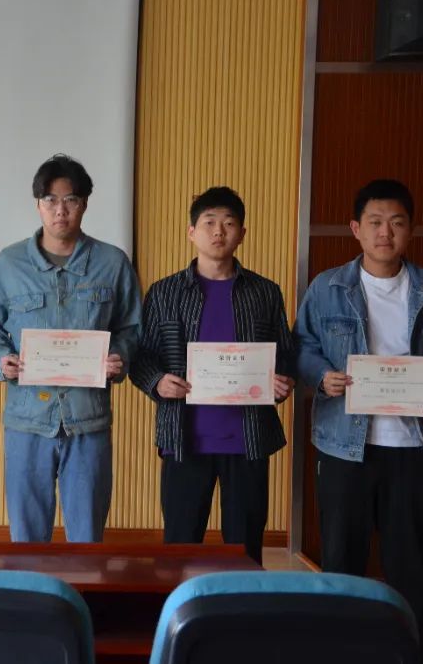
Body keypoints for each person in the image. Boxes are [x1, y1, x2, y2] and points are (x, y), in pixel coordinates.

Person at [295, 179, 423, 663]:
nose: (385, 233)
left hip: (411, 446)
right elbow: (301, 344)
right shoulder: (327, 287)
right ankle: (339, 654)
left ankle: (414, 654)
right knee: (341, 562)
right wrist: (321, 375)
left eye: (396, 222)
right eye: (375, 222)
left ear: (411, 229)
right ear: (356, 228)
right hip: (343, 446)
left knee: (408, 563)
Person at [129, 186, 294, 565]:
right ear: (192, 232)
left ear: (242, 233)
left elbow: (285, 353)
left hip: (248, 438)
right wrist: (157, 381)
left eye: (229, 223)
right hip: (184, 438)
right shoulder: (164, 292)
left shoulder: (265, 292)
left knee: (245, 551)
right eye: (209, 223)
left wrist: (281, 381)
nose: (218, 231)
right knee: (180, 547)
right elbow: (142, 356)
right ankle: (181, 606)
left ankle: (242, 606)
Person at [0, 154, 141, 543]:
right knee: (27, 539)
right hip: (27, 420)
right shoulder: (9, 263)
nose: (60, 210)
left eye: (70, 200)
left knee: (86, 538)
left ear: (84, 203)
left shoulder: (112, 263)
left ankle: (82, 587)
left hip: (87, 419)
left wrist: (120, 357)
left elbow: (132, 328)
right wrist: (1, 360)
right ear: (38, 204)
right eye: (50, 200)